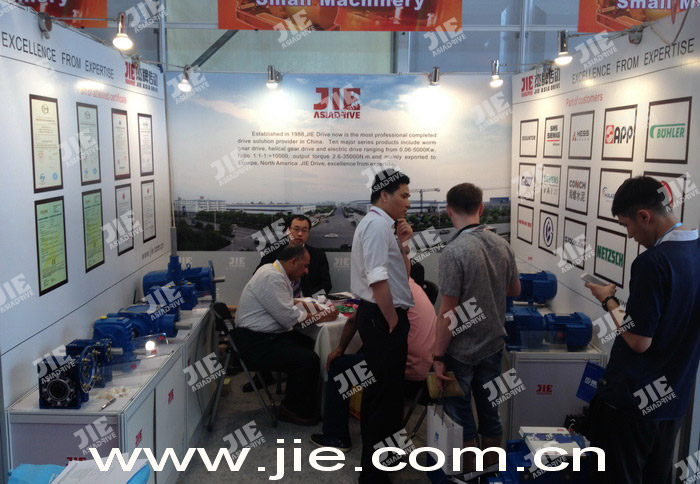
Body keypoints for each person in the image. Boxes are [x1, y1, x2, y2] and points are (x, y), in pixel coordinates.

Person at [584, 176, 699, 484]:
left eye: (627, 225)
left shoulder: (653, 262)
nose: (631, 235)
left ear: (645, 216)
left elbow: (638, 340)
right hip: (672, 401)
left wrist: (608, 300)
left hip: (631, 406)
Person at [433, 183, 520, 472]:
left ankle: (469, 475)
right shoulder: (502, 244)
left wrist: (437, 356)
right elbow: (515, 290)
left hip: (460, 350)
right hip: (493, 344)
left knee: (461, 418)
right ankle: (492, 475)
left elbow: (447, 313)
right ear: (481, 208)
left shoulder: (453, 251)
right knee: (491, 415)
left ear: (449, 211)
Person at [310, 273, 437, 451]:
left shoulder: (386, 288)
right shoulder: (411, 285)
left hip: (404, 367)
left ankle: (336, 436)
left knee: (338, 365)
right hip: (427, 365)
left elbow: (353, 320)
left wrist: (339, 350)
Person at [350, 169, 414, 483]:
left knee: (387, 396)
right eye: (404, 195)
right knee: (381, 399)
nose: (408, 202)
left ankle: (383, 464)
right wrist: (392, 322)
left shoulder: (384, 226)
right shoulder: (376, 225)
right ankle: (373, 475)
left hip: (384, 316)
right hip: (382, 317)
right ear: (384, 195)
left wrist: (403, 244)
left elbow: (403, 274)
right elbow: (377, 281)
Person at [234, 244, 338, 425]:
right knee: (308, 359)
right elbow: (289, 318)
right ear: (293, 261)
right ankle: (291, 409)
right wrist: (323, 315)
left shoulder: (273, 270)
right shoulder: (271, 277)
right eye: (305, 266)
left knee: (310, 344)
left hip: (265, 336)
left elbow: (285, 302)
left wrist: (308, 306)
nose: (306, 271)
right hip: (255, 343)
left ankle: (307, 400)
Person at [257, 214, 332, 297]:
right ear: (288, 230)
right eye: (296, 229)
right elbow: (259, 277)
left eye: (304, 230)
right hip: (278, 300)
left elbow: (326, 285)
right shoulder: (273, 252)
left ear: (308, 233)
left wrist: (311, 299)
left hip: (307, 302)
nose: (300, 234)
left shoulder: (318, 255)